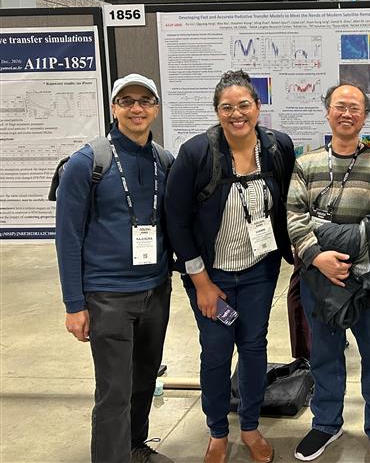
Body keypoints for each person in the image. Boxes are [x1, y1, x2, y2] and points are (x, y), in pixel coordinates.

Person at [165, 70, 295, 463]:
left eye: (244, 105)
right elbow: (176, 220)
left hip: (259, 270)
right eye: (227, 107)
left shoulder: (277, 147)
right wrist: (201, 281)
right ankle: (218, 431)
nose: (236, 114)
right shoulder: (196, 153)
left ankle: (251, 425)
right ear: (217, 111)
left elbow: (290, 202)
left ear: (257, 107)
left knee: (254, 347)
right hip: (212, 275)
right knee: (217, 350)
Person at [55, 73, 173, 463]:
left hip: (156, 290)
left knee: (144, 380)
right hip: (108, 297)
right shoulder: (86, 163)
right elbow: (68, 238)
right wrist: (75, 305)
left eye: (144, 101)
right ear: (113, 108)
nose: (136, 108)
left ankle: (134, 446)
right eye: (127, 101)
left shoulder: (163, 161)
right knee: (114, 391)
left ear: (155, 109)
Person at [286, 83, 370, 463]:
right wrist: (318, 257)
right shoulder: (306, 163)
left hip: (367, 280)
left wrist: (328, 233)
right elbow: (294, 219)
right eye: (339, 106)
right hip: (318, 279)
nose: (346, 113)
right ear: (328, 112)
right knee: (325, 354)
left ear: (365, 115)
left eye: (354, 107)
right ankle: (325, 423)